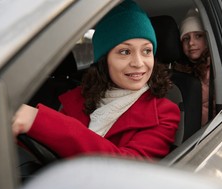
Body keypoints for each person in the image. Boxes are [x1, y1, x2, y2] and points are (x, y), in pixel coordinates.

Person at [12, 0, 180, 160]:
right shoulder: (77, 98)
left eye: (146, 51)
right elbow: (44, 150)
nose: (138, 63)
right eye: (125, 52)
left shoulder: (165, 113)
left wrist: (38, 120)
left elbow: (127, 166)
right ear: (104, 60)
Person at [174, 8, 215, 127]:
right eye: (186, 38)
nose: (191, 43)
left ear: (207, 40)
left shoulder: (215, 70)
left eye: (198, 36)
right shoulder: (177, 71)